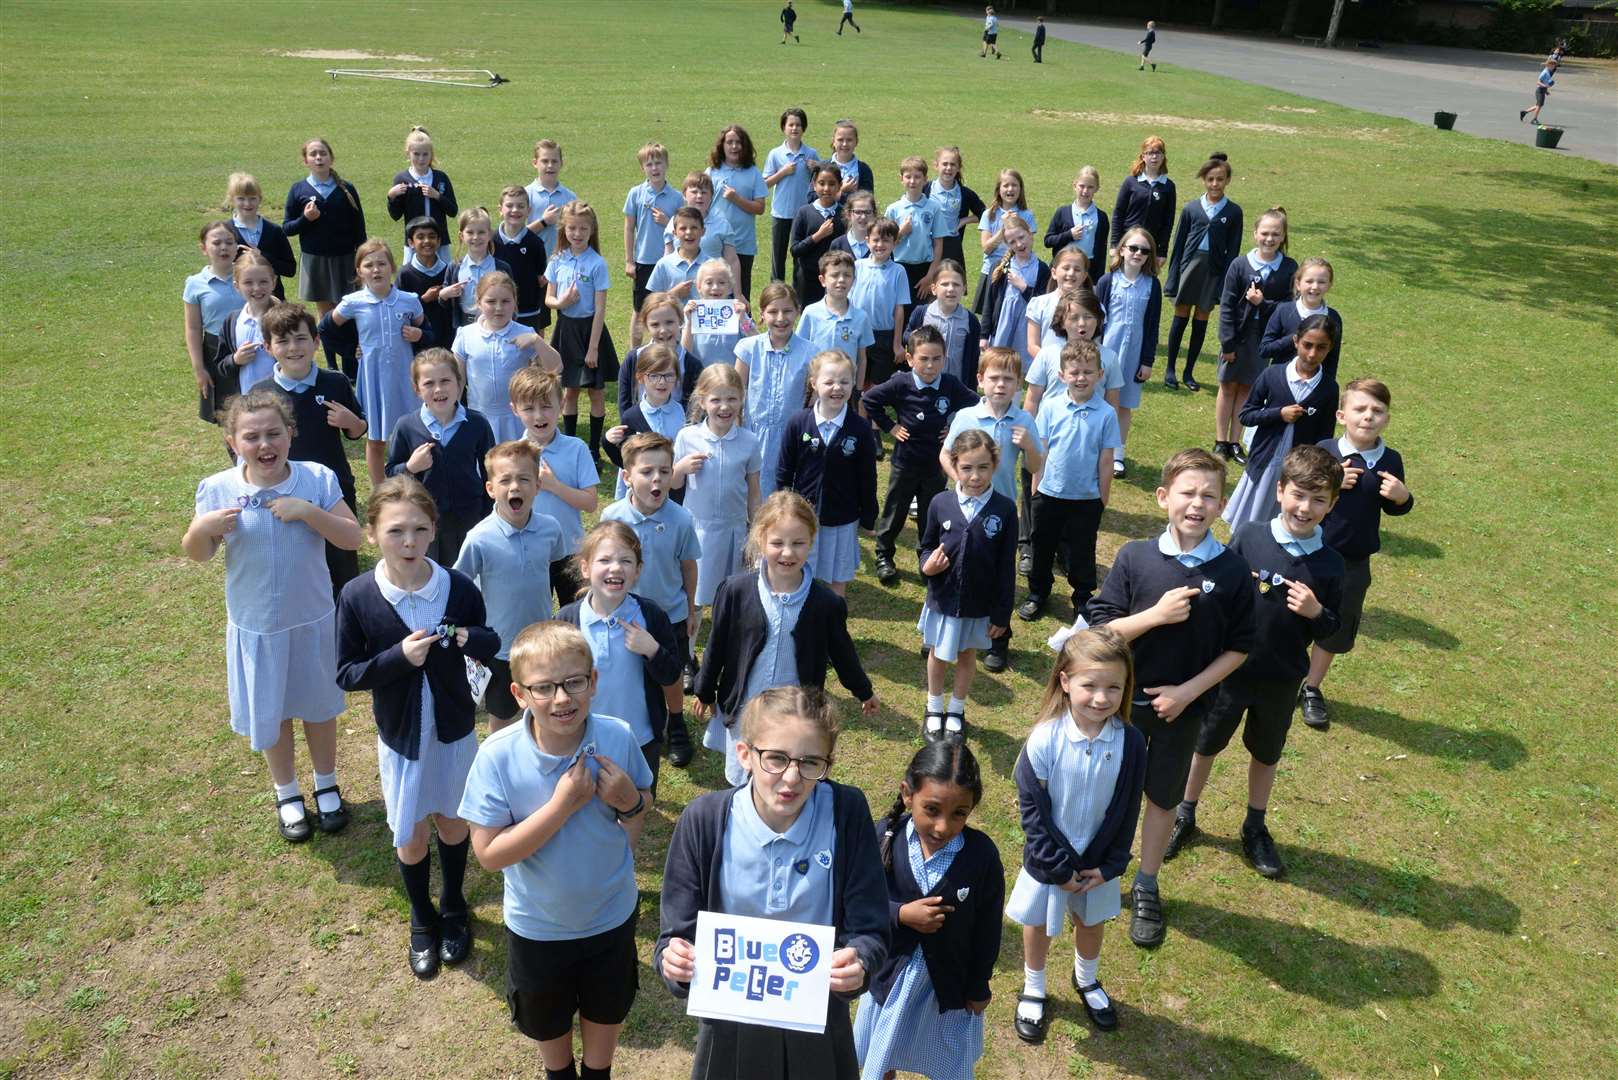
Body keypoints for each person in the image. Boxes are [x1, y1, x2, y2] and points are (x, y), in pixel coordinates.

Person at [656, 687, 887, 1079]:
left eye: (811, 762)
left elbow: (871, 929)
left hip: (817, 1022)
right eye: (776, 758)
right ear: (745, 754)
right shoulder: (704, 821)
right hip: (730, 1025)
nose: (792, 778)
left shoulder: (846, 813)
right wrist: (673, 960)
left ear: (828, 763)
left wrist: (860, 960)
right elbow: (675, 937)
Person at [459, 622, 654, 1080]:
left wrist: (629, 803)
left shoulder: (618, 737)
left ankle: (598, 1073)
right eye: (543, 688)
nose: (562, 699)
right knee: (546, 1018)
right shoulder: (497, 756)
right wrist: (562, 806)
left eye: (573, 682)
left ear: (594, 681)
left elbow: (640, 808)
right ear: (519, 693)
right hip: (538, 928)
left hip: (610, 916)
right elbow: (488, 854)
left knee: (607, 1009)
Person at [1086, 449, 1255, 951]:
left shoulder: (1231, 571)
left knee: (1162, 798)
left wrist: (1188, 693)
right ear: (1163, 498)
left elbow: (1239, 647)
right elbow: (1102, 628)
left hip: (1184, 713)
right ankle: (1095, 870)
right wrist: (1154, 616)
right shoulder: (1135, 557)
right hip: (1120, 710)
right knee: (1107, 791)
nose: (1197, 504)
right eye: (1187, 493)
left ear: (1223, 505)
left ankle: (1147, 882)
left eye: (1209, 495)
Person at [182, 389, 362, 842]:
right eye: (251, 436)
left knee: (319, 708)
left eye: (273, 434)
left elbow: (352, 538)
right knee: (274, 710)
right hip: (258, 625)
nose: (264, 445)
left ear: (291, 434)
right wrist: (202, 529)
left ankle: (326, 785)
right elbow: (198, 554)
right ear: (231, 441)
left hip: (313, 617)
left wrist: (310, 513)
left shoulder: (316, 479)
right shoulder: (219, 489)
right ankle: (287, 792)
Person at [336, 476, 498, 979]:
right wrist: (398, 658)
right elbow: (348, 672)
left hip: (453, 731)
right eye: (395, 531)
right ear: (372, 535)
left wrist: (472, 637)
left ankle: (452, 904)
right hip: (402, 737)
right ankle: (421, 916)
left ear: (434, 532)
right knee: (410, 833)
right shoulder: (359, 595)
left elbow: (488, 641)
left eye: (419, 530)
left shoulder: (457, 588)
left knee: (452, 821)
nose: (408, 542)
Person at [1168, 445, 1345, 879]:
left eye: (1319, 499)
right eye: (1298, 494)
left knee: (1266, 755)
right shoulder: (1250, 535)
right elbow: (1224, 589)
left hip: (1281, 680)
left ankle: (1254, 825)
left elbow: (1332, 631)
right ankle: (1184, 814)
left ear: (1332, 504)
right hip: (1229, 672)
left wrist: (1316, 613)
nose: (1306, 507)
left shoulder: (1331, 564)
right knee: (1204, 745)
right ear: (1280, 491)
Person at [1006, 629, 1146, 1040]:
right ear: (1065, 682)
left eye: (1113, 687)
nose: (1101, 698)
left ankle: (1086, 979)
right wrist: (1056, 868)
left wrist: (1112, 865)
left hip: (1099, 864)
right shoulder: (1045, 739)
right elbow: (1033, 812)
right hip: (1049, 862)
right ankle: (1034, 986)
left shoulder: (1131, 744)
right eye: (1090, 685)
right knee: (1040, 924)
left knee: (1091, 920)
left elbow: (1127, 808)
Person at [692, 493, 879, 784]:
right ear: (760, 540)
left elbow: (843, 653)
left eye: (798, 543)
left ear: (812, 541)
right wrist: (705, 690)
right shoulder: (735, 590)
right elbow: (717, 644)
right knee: (746, 774)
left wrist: (863, 691)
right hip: (746, 707)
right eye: (777, 543)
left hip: (795, 713)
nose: (787, 553)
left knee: (786, 775)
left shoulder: (825, 603)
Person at [853, 742, 1002, 1079]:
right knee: (884, 1051)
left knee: (946, 1060)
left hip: (947, 990)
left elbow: (987, 929)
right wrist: (901, 915)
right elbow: (859, 904)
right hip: (889, 980)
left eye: (958, 814)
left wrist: (979, 985)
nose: (942, 827)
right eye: (931, 809)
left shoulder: (981, 856)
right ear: (908, 795)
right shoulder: (883, 838)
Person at [1301, 378, 1413, 728]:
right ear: (1341, 415)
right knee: (1292, 612)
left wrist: (1402, 497)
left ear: (1387, 419)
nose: (1368, 417)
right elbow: (1301, 499)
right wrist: (1331, 481)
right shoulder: (1324, 451)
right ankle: (1279, 670)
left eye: (1377, 411)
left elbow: (1395, 509)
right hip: (1309, 551)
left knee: (1336, 623)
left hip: (1353, 561)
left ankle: (1311, 688)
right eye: (1360, 409)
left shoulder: (1390, 460)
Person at [556, 521, 685, 790]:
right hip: (583, 739)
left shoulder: (651, 616)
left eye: (626, 560)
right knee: (586, 804)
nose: (615, 567)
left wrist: (652, 650)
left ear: (637, 570)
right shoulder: (568, 620)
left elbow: (672, 673)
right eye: (605, 560)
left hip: (640, 738)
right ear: (585, 567)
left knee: (637, 801)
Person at [600, 434, 703, 769]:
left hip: (670, 614)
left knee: (670, 674)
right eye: (646, 472)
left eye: (664, 470)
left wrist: (690, 609)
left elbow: (688, 565)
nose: (657, 479)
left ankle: (675, 723)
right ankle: (643, 723)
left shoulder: (682, 519)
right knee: (635, 672)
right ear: (627, 476)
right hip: (625, 615)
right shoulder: (612, 517)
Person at [253, 304, 367, 601]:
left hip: (334, 490)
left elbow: (357, 430)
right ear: (268, 347)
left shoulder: (335, 382)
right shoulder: (260, 394)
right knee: (296, 565)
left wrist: (351, 422)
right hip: (285, 493)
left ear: (316, 341)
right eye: (282, 340)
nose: (293, 347)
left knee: (342, 563)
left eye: (301, 338)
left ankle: (347, 628)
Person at [451, 439, 567, 732]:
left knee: (545, 702)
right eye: (505, 480)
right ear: (491, 489)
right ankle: (498, 765)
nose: (515, 487)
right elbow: (457, 587)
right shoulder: (479, 538)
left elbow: (561, 575)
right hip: (500, 647)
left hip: (541, 640)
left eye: (524, 479)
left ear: (538, 485)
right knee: (502, 714)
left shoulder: (551, 529)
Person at [942, 346, 1044, 673]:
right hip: (962, 509)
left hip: (1001, 511)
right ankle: (941, 632)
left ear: (1019, 385)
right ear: (980, 380)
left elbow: (1035, 464)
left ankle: (998, 637)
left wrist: (1028, 445)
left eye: (1008, 379)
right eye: (994, 378)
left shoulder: (1024, 420)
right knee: (955, 565)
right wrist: (961, 480)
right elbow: (945, 455)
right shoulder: (966, 417)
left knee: (997, 572)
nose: (1000, 385)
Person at [917, 430, 1015, 741]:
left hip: (978, 603)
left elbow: (1006, 567)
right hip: (942, 599)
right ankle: (934, 708)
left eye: (983, 467)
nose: (975, 476)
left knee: (966, 655)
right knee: (938, 653)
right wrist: (926, 565)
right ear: (954, 466)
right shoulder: (940, 503)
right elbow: (926, 545)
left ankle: (956, 709)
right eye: (967, 468)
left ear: (995, 465)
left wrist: (1002, 614)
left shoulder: (1005, 509)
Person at [673, 364, 764, 698]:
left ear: (741, 400)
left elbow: (754, 492)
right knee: (693, 600)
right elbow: (671, 483)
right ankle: (688, 657)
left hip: (732, 532)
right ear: (702, 400)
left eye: (732, 399)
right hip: (697, 531)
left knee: (731, 600)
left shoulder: (749, 442)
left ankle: (725, 656)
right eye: (716, 399)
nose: (724, 407)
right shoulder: (687, 437)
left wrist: (757, 534)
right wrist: (680, 468)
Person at [864, 325, 978, 586]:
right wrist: (890, 427)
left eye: (936, 359)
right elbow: (870, 400)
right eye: (923, 359)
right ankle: (884, 555)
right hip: (904, 463)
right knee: (895, 512)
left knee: (930, 515)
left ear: (944, 358)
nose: (930, 365)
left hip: (936, 465)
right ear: (910, 359)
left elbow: (975, 404)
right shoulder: (901, 382)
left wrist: (956, 426)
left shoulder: (949, 384)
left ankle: (926, 557)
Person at [1019, 341, 1120, 622]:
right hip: (1049, 493)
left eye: (1088, 372)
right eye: (1074, 372)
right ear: (1062, 375)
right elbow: (1041, 450)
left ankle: (1082, 598)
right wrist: (1036, 486)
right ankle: (1038, 592)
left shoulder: (1106, 414)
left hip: (1086, 498)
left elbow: (1106, 459)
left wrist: (1103, 496)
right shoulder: (1050, 407)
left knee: (1082, 550)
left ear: (1100, 375)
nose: (1081, 378)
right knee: (1042, 546)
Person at [776, 352, 879, 596]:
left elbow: (867, 477)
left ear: (854, 383)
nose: (837, 388)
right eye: (829, 381)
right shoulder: (798, 423)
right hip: (804, 518)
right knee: (800, 575)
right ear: (814, 383)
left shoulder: (860, 428)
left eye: (844, 381)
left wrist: (868, 516)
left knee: (836, 580)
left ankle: (832, 628)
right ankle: (799, 623)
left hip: (842, 518)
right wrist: (782, 508)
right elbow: (784, 470)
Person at [1224, 314, 1338, 529]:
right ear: (1296, 341)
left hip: (1298, 472)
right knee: (1251, 519)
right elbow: (1247, 414)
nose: (1313, 353)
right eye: (1307, 345)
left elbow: (1324, 438)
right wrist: (1278, 414)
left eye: (1321, 347)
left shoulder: (1328, 388)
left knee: (1285, 520)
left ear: (1330, 348)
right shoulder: (1273, 374)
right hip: (1265, 463)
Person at [328, 238, 427, 485]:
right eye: (369, 265)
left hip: (405, 377)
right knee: (376, 438)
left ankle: (413, 484)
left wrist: (420, 335)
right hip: (373, 379)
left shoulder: (409, 300)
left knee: (414, 434)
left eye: (382, 263)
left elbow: (429, 334)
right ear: (359, 271)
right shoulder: (353, 303)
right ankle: (380, 489)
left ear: (392, 267)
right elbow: (326, 329)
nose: (376, 269)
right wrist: (351, 349)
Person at [385, 349, 496, 566]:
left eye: (445, 381)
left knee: (469, 576)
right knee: (431, 575)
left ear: (459, 382)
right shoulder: (406, 426)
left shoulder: (476, 424)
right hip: (424, 521)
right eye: (428, 383)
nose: (438, 389)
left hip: (470, 518)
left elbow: (491, 473)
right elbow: (390, 473)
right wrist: (410, 467)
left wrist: (487, 515)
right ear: (416, 389)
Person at [510, 367, 601, 608]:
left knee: (576, 614)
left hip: (570, 550)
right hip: (529, 550)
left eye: (546, 406)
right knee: (534, 615)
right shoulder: (511, 455)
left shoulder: (577, 448)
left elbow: (591, 503)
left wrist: (554, 486)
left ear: (561, 405)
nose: (539, 416)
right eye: (529, 409)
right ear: (515, 410)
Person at [1214, 208, 1295, 462]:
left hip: (1264, 340)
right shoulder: (1239, 264)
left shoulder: (1289, 268)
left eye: (1275, 234)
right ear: (1255, 234)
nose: (1269, 239)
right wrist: (1227, 342)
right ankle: (1220, 441)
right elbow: (1226, 305)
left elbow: (1288, 307)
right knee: (1228, 387)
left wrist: (1262, 303)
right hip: (1237, 337)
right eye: (1264, 233)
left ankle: (1235, 441)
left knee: (1248, 390)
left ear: (1282, 237)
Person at [1163, 152, 1243, 392]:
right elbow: (1177, 246)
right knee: (1181, 314)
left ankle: (1188, 371)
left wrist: (1225, 285)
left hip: (1214, 271)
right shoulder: (1191, 208)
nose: (1215, 184)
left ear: (1227, 180)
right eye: (1210, 179)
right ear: (1204, 180)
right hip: (1190, 266)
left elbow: (1233, 252)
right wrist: (1173, 278)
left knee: (1201, 318)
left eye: (1220, 179)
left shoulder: (1233, 212)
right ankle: (1170, 369)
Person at [546, 201, 618, 463]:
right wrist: (562, 302)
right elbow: (549, 300)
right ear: (564, 229)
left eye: (583, 229)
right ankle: (570, 442)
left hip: (590, 332)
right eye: (572, 228)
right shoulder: (557, 260)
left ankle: (592, 448)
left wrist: (594, 347)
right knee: (570, 391)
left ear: (592, 231)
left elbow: (600, 309)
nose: (577, 234)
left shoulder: (597, 263)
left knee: (595, 392)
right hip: (566, 330)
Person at [451, 270, 555, 443]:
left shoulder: (525, 333)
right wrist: (452, 416)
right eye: (491, 301)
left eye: (506, 301)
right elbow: (458, 380)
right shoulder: (466, 335)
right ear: (479, 302)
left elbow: (555, 367)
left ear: (515, 303)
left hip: (516, 418)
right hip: (479, 416)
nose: (499, 308)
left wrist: (537, 341)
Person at [737, 282, 817, 497]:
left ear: (798, 311)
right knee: (750, 491)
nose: (781, 318)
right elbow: (736, 392)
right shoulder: (748, 348)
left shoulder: (811, 353)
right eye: (773, 311)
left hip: (789, 437)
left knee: (782, 494)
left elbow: (813, 402)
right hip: (752, 432)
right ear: (762, 313)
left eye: (787, 311)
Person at [283, 138, 365, 347]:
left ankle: (349, 357)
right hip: (315, 260)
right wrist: (306, 219)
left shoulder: (346, 188)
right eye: (313, 154)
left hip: (345, 258)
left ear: (331, 158)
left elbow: (359, 226)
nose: (318, 158)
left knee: (346, 310)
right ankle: (330, 359)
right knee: (324, 313)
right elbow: (287, 228)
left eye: (323, 153)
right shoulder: (298, 190)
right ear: (305, 161)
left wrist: (361, 259)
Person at [1095, 228, 1164, 478]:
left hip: (1133, 356)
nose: (1137, 253)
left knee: (1124, 405)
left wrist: (1147, 361)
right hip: (1106, 354)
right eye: (1133, 248)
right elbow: (1096, 321)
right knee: (1099, 401)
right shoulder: (1107, 281)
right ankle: (1094, 448)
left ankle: (1117, 454)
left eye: (1144, 251)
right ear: (1121, 249)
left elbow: (1152, 325)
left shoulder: (1152, 285)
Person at [604, 344, 689, 501]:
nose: (662, 382)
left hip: (677, 495)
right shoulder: (632, 417)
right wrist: (607, 442)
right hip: (643, 497)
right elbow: (625, 460)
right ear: (641, 377)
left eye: (668, 375)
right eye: (654, 376)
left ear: (677, 377)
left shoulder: (684, 414)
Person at [183, 221, 246, 423]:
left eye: (229, 242)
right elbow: (193, 328)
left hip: (249, 344)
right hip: (216, 351)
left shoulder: (249, 275)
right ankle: (238, 451)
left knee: (255, 404)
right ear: (204, 248)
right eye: (216, 242)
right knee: (227, 413)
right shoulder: (195, 284)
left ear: (237, 246)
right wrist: (199, 369)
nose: (224, 247)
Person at [623, 142, 684, 335]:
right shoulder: (636, 194)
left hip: (669, 262)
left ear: (667, 164)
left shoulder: (676, 197)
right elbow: (629, 227)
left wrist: (668, 221)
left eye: (658, 163)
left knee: (669, 306)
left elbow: (683, 230)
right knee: (640, 309)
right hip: (644, 261)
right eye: (649, 164)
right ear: (642, 168)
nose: (654, 168)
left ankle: (670, 345)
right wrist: (629, 261)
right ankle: (635, 354)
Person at [798, 249, 875, 397]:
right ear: (822, 280)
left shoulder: (861, 317)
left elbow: (862, 358)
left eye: (847, 275)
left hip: (845, 389)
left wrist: (858, 390)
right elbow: (800, 351)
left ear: (854, 280)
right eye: (834, 275)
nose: (841, 280)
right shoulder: (811, 313)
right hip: (815, 388)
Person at [979, 215, 1048, 375]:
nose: (1019, 244)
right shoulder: (1000, 268)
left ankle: (1016, 399)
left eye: (1021, 237)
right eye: (1012, 242)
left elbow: (1044, 304)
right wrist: (984, 335)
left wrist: (1024, 288)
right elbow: (989, 303)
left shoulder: (1042, 269)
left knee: (1018, 373)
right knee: (999, 368)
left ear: (1030, 234)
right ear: (1007, 244)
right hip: (1003, 327)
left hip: (1025, 330)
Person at [211, 251, 279, 409]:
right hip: (246, 405)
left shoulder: (284, 320)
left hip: (281, 403)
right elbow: (221, 366)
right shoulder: (232, 322)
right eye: (248, 283)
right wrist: (235, 360)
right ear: (236, 286)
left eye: (263, 281)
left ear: (273, 282)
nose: (257, 288)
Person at [708, 124, 769, 300]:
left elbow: (760, 208)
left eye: (738, 142)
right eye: (729, 142)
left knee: (740, 294)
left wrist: (737, 199)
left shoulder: (753, 173)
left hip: (742, 245)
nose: (734, 146)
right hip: (715, 244)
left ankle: (742, 327)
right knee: (714, 293)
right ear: (722, 146)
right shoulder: (712, 172)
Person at [849, 218, 909, 393]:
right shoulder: (857, 266)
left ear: (895, 243)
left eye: (886, 240)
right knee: (857, 380)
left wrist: (897, 344)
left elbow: (899, 310)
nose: (880, 245)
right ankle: (859, 418)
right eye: (875, 240)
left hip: (884, 335)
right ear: (867, 240)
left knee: (876, 385)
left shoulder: (898, 271)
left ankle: (873, 419)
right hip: (857, 332)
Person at [1261, 257, 1343, 384]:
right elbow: (1265, 350)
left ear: (1329, 285)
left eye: (1321, 282)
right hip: (1280, 383)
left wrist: (1327, 388)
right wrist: (1296, 337)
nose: (1315, 287)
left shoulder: (1333, 317)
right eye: (1309, 281)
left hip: (1313, 386)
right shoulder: (1284, 310)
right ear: (1298, 284)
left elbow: (1332, 361)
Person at [764, 108, 822, 284]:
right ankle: (776, 292)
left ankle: (799, 292)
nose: (794, 128)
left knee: (801, 255)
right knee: (778, 257)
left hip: (803, 214)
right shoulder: (775, 154)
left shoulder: (811, 153)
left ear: (803, 128)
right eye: (790, 125)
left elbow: (823, 179)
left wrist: (816, 167)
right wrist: (782, 172)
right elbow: (765, 183)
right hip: (781, 213)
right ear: (784, 127)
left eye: (798, 125)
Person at [887, 156, 948, 317]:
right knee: (899, 311)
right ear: (901, 179)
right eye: (908, 177)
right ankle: (898, 342)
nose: (912, 181)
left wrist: (930, 276)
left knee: (922, 314)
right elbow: (885, 245)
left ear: (925, 179)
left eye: (917, 177)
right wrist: (901, 232)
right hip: (899, 267)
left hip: (924, 268)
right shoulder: (893, 209)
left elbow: (938, 244)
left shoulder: (933, 208)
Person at [619, 292, 701, 409]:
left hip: (679, 425)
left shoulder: (692, 365)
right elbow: (624, 403)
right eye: (655, 325)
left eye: (669, 322)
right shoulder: (634, 359)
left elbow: (694, 407)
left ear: (680, 321)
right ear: (646, 326)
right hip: (640, 424)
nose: (663, 330)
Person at [905, 259, 981, 385]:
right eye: (945, 284)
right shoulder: (922, 313)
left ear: (964, 289)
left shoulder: (970, 321)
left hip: (956, 385)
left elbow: (973, 359)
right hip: (924, 383)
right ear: (934, 288)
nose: (951, 289)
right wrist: (913, 335)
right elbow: (907, 335)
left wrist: (970, 389)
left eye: (956, 284)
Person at [974, 169, 1037, 316]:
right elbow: (987, 249)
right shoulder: (989, 214)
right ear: (998, 189)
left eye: (1014, 185)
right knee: (989, 316)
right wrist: (1004, 229)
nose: (1010, 189)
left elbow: (1027, 246)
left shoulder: (1026, 215)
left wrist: (1016, 225)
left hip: (1017, 272)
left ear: (1020, 189)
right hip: (992, 271)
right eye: (1006, 185)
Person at [439, 206, 512, 331]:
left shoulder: (501, 268)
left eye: (481, 232)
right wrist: (444, 294)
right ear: (461, 235)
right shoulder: (455, 266)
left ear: (489, 234)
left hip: (495, 324)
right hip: (464, 325)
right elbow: (445, 302)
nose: (475, 237)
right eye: (470, 232)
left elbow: (511, 300)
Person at [223, 172, 295, 300]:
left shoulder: (274, 231)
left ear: (260, 199)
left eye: (252, 198)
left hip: (272, 301)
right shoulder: (225, 231)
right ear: (232, 200)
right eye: (241, 198)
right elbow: (219, 267)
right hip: (236, 301)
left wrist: (262, 256)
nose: (247, 203)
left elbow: (290, 269)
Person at [385, 126, 458, 247]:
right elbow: (396, 215)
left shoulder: (441, 178)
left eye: (425, 154)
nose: (421, 159)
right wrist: (391, 197)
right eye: (416, 154)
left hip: (440, 242)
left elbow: (453, 211)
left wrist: (437, 196)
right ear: (408, 153)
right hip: (414, 243)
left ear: (431, 154)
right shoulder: (401, 179)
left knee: (444, 267)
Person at [1109, 136, 1175, 267]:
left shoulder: (1168, 186)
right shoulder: (1130, 182)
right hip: (1128, 244)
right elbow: (1118, 214)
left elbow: (1168, 222)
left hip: (1150, 247)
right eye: (1150, 153)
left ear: (1163, 157)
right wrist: (1115, 244)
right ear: (1143, 157)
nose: (1154, 157)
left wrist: (1162, 252)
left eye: (1158, 153)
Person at [494, 186, 551, 335]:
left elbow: (541, 278)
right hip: (497, 310)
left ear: (528, 210)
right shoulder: (491, 241)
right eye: (509, 205)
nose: (515, 210)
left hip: (528, 311)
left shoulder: (535, 243)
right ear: (500, 209)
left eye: (520, 206)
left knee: (530, 354)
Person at [790, 163, 847, 305]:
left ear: (840, 186)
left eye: (832, 184)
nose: (826, 189)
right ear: (814, 185)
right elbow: (795, 250)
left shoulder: (844, 214)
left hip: (835, 277)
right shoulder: (804, 212)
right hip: (808, 278)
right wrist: (818, 236)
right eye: (821, 183)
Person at [1024, 246, 1093, 359]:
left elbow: (1095, 344)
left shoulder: (1093, 306)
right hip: (1046, 369)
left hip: (1080, 371)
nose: (1071, 273)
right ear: (1054, 273)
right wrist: (1052, 365)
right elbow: (1032, 345)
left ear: (1084, 276)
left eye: (1077, 269)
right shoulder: (1040, 304)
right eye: (1066, 268)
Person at [922, 147, 985, 271]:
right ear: (936, 165)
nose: (948, 168)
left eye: (952, 164)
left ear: (958, 168)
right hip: (927, 246)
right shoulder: (925, 189)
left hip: (952, 247)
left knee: (950, 285)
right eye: (944, 164)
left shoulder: (965, 193)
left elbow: (986, 213)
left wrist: (963, 221)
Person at [398, 217, 455, 354]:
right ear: (411, 242)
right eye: (420, 237)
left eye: (432, 236)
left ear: (439, 241)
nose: (427, 241)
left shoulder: (450, 270)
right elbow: (399, 310)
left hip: (447, 341)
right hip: (417, 344)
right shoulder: (405, 274)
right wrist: (423, 300)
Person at [683, 259, 753, 369]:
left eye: (722, 282)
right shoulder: (692, 313)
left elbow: (756, 342)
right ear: (699, 287)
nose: (715, 287)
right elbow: (685, 353)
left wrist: (744, 319)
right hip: (702, 380)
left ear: (730, 287)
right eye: (709, 282)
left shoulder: (736, 312)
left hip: (732, 379)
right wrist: (689, 324)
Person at [1043, 167, 1109, 281]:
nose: (1085, 191)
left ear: (1097, 188)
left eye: (1090, 187)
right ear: (1074, 186)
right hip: (1063, 268)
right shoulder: (1062, 212)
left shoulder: (1101, 217)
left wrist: (1098, 279)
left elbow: (1101, 252)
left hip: (1088, 271)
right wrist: (1069, 235)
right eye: (1082, 186)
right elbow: (1048, 241)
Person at [523, 138, 578, 258]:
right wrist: (543, 222)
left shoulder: (570, 197)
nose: (550, 166)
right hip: (530, 262)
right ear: (535, 163)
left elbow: (577, 234)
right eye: (545, 161)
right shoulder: (525, 195)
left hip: (562, 264)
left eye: (554, 161)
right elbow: (516, 235)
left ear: (561, 163)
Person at [827, 120, 875, 205]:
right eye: (840, 140)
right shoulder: (823, 167)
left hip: (854, 218)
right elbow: (812, 198)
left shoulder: (863, 170)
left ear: (856, 142)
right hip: (826, 218)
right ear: (833, 141)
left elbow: (868, 202)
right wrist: (842, 191)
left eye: (849, 140)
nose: (845, 144)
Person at [1521, 57, 1558, 126]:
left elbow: (1545, 82)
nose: (1554, 68)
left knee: (1539, 105)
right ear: (1549, 65)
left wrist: (1546, 91)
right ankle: (1534, 119)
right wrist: (1544, 86)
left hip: (1543, 90)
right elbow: (1538, 82)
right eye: (1553, 66)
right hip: (1539, 90)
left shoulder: (1548, 72)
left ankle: (1524, 112)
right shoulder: (1544, 72)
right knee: (1539, 105)